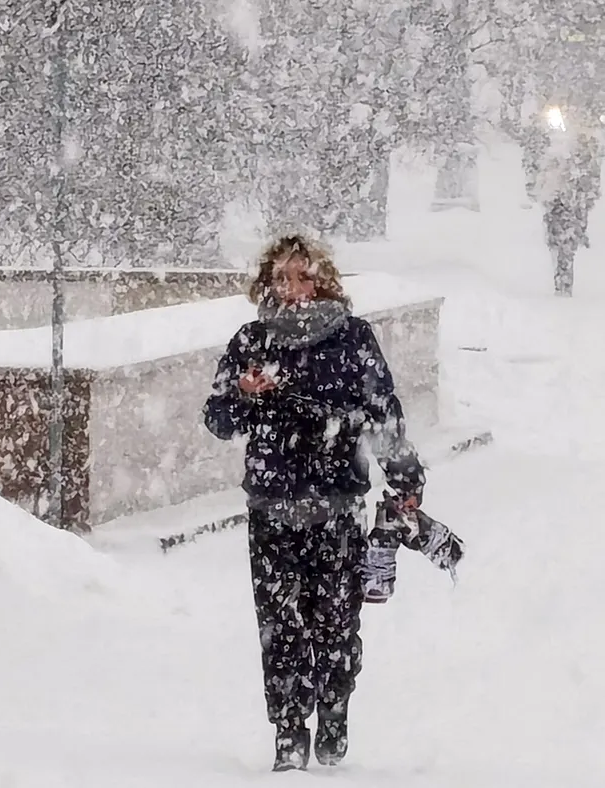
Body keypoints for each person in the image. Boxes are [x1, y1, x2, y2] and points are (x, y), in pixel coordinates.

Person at [202, 234, 426, 772]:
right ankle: (287, 733)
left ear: (324, 281)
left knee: (335, 623)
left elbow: (382, 416)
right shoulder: (251, 341)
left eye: (302, 277)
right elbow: (218, 419)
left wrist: (405, 480)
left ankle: (333, 710)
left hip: (338, 508)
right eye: (282, 278)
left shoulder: (353, 340)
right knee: (280, 627)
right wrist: (243, 395)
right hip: (272, 508)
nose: (292, 289)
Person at [535, 129, 602, 295]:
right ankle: (562, 282)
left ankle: (563, 283)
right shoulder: (559, 162)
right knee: (560, 248)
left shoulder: (580, 167)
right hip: (559, 207)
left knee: (564, 249)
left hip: (566, 208)